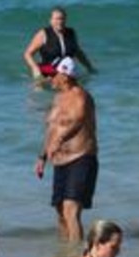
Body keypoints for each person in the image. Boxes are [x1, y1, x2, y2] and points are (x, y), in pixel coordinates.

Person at [38, 58, 99, 242]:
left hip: (81, 157)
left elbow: (78, 120)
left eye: (51, 74)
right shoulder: (57, 98)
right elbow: (52, 129)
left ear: (64, 75)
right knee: (59, 211)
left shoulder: (82, 97)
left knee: (70, 209)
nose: (49, 78)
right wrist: (42, 156)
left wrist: (61, 139)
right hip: (60, 161)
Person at [24, 7, 95, 79]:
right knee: (39, 87)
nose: (60, 21)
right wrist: (35, 68)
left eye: (62, 18)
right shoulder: (43, 34)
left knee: (79, 88)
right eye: (57, 19)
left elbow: (78, 52)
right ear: (51, 20)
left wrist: (89, 67)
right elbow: (28, 54)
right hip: (47, 71)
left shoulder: (71, 33)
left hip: (67, 71)